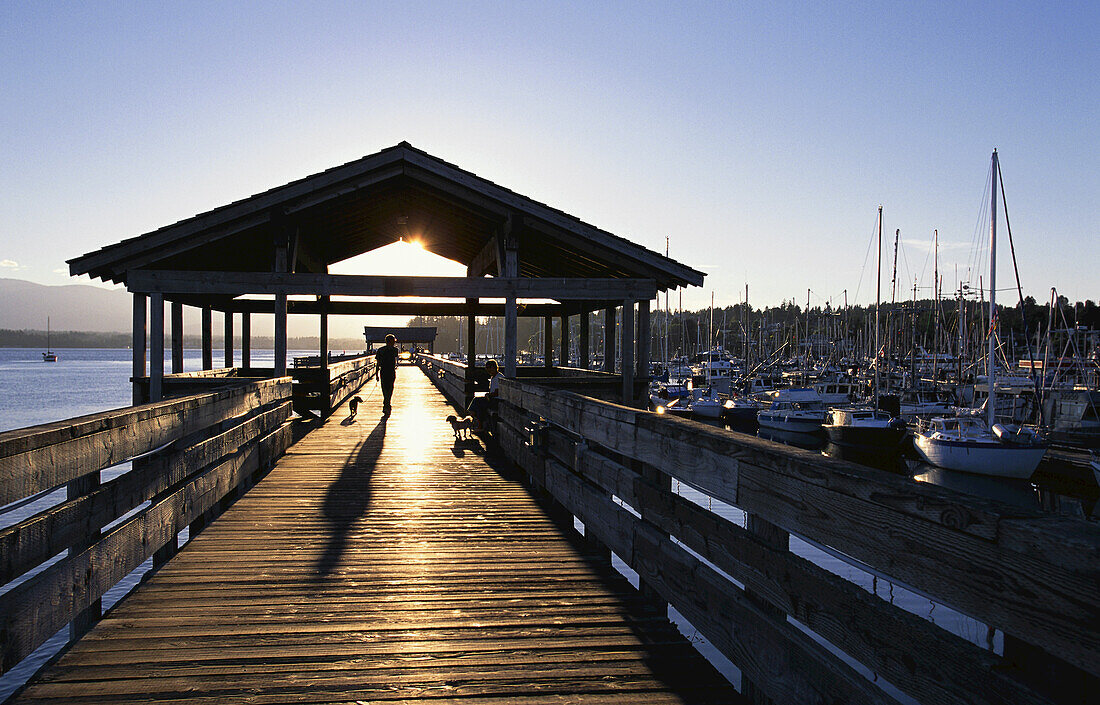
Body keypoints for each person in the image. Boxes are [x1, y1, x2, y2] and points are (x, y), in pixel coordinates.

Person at [467, 359, 502, 430]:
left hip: (497, 401)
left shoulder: (499, 377)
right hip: (493, 399)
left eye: (489, 369)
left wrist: (489, 395)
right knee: (478, 402)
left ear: (493, 367)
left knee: (478, 402)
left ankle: (478, 423)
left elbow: (498, 392)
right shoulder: (493, 377)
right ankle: (477, 421)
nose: (488, 371)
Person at [374, 334, 399, 416]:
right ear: (391, 341)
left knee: (384, 389)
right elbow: (395, 360)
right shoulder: (395, 350)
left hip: (383, 372)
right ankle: (387, 405)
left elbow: (378, 363)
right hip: (391, 371)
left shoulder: (380, 350)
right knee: (390, 388)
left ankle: (386, 405)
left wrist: (376, 374)